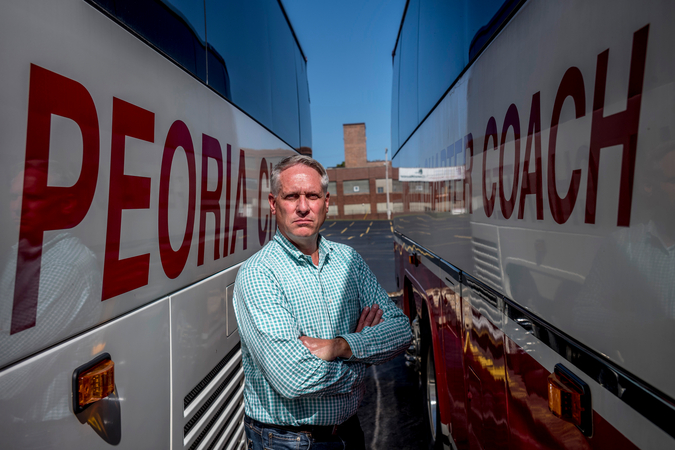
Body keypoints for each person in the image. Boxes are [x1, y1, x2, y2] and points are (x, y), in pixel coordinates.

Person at [233, 155, 412, 449]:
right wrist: (359, 367)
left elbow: (401, 330)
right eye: (292, 196)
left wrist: (341, 346)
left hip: (349, 431)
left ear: (326, 202)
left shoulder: (349, 261)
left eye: (312, 196)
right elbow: (293, 376)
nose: (303, 207)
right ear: (273, 202)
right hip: (287, 441)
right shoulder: (259, 274)